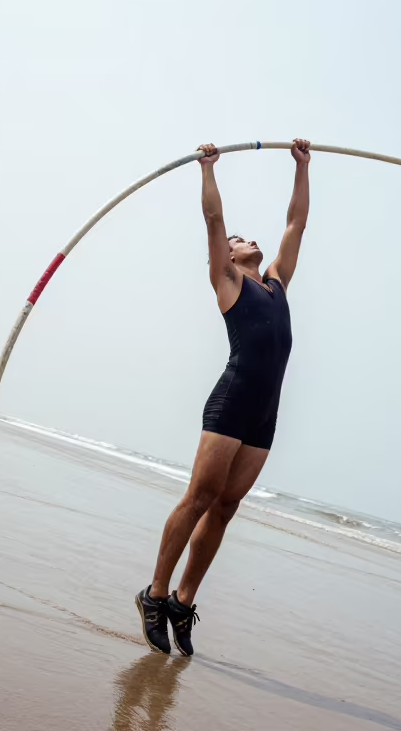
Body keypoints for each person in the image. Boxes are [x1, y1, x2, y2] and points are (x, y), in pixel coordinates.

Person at [135, 138, 311, 656]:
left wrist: (301, 168)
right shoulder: (228, 281)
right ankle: (155, 593)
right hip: (232, 401)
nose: (244, 239)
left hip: (265, 413)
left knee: (227, 506)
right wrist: (207, 170)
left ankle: (183, 602)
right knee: (201, 498)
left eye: (245, 237)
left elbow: (296, 223)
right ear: (229, 255)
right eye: (238, 239)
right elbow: (214, 220)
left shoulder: (277, 282)